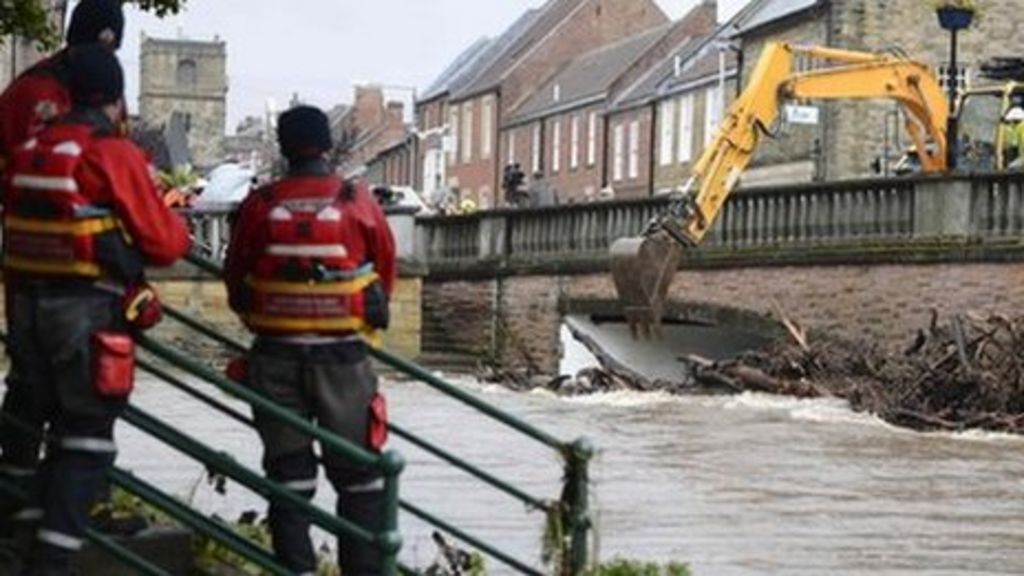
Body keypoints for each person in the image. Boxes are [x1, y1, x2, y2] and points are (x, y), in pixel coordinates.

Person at [0, 46, 190, 575]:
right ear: (116, 98)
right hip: (84, 314)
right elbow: (164, 243)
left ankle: (21, 543)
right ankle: (50, 564)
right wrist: (170, 217)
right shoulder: (109, 153)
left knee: (54, 433)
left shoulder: (33, 149)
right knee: (85, 443)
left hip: (26, 308)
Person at [224, 105, 396, 575]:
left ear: (282, 146)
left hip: (275, 357)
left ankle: (294, 569)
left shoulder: (259, 205)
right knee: (360, 480)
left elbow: (237, 277)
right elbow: (384, 269)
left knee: (289, 478)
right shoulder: (356, 199)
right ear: (326, 145)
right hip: (343, 359)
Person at [0, 0, 125, 168]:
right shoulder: (36, 90)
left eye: (108, 51)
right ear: (74, 45)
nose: (101, 59)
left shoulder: (109, 91)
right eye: (94, 49)